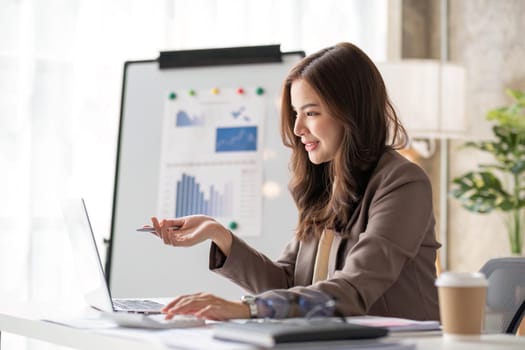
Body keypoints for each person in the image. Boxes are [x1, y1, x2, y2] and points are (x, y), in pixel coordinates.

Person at [147, 42, 441, 321]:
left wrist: (247, 308)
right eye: (296, 113)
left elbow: (354, 289)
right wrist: (220, 235)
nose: (298, 128)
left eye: (311, 113)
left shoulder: (403, 184)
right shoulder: (327, 182)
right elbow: (287, 282)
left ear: (352, 113)